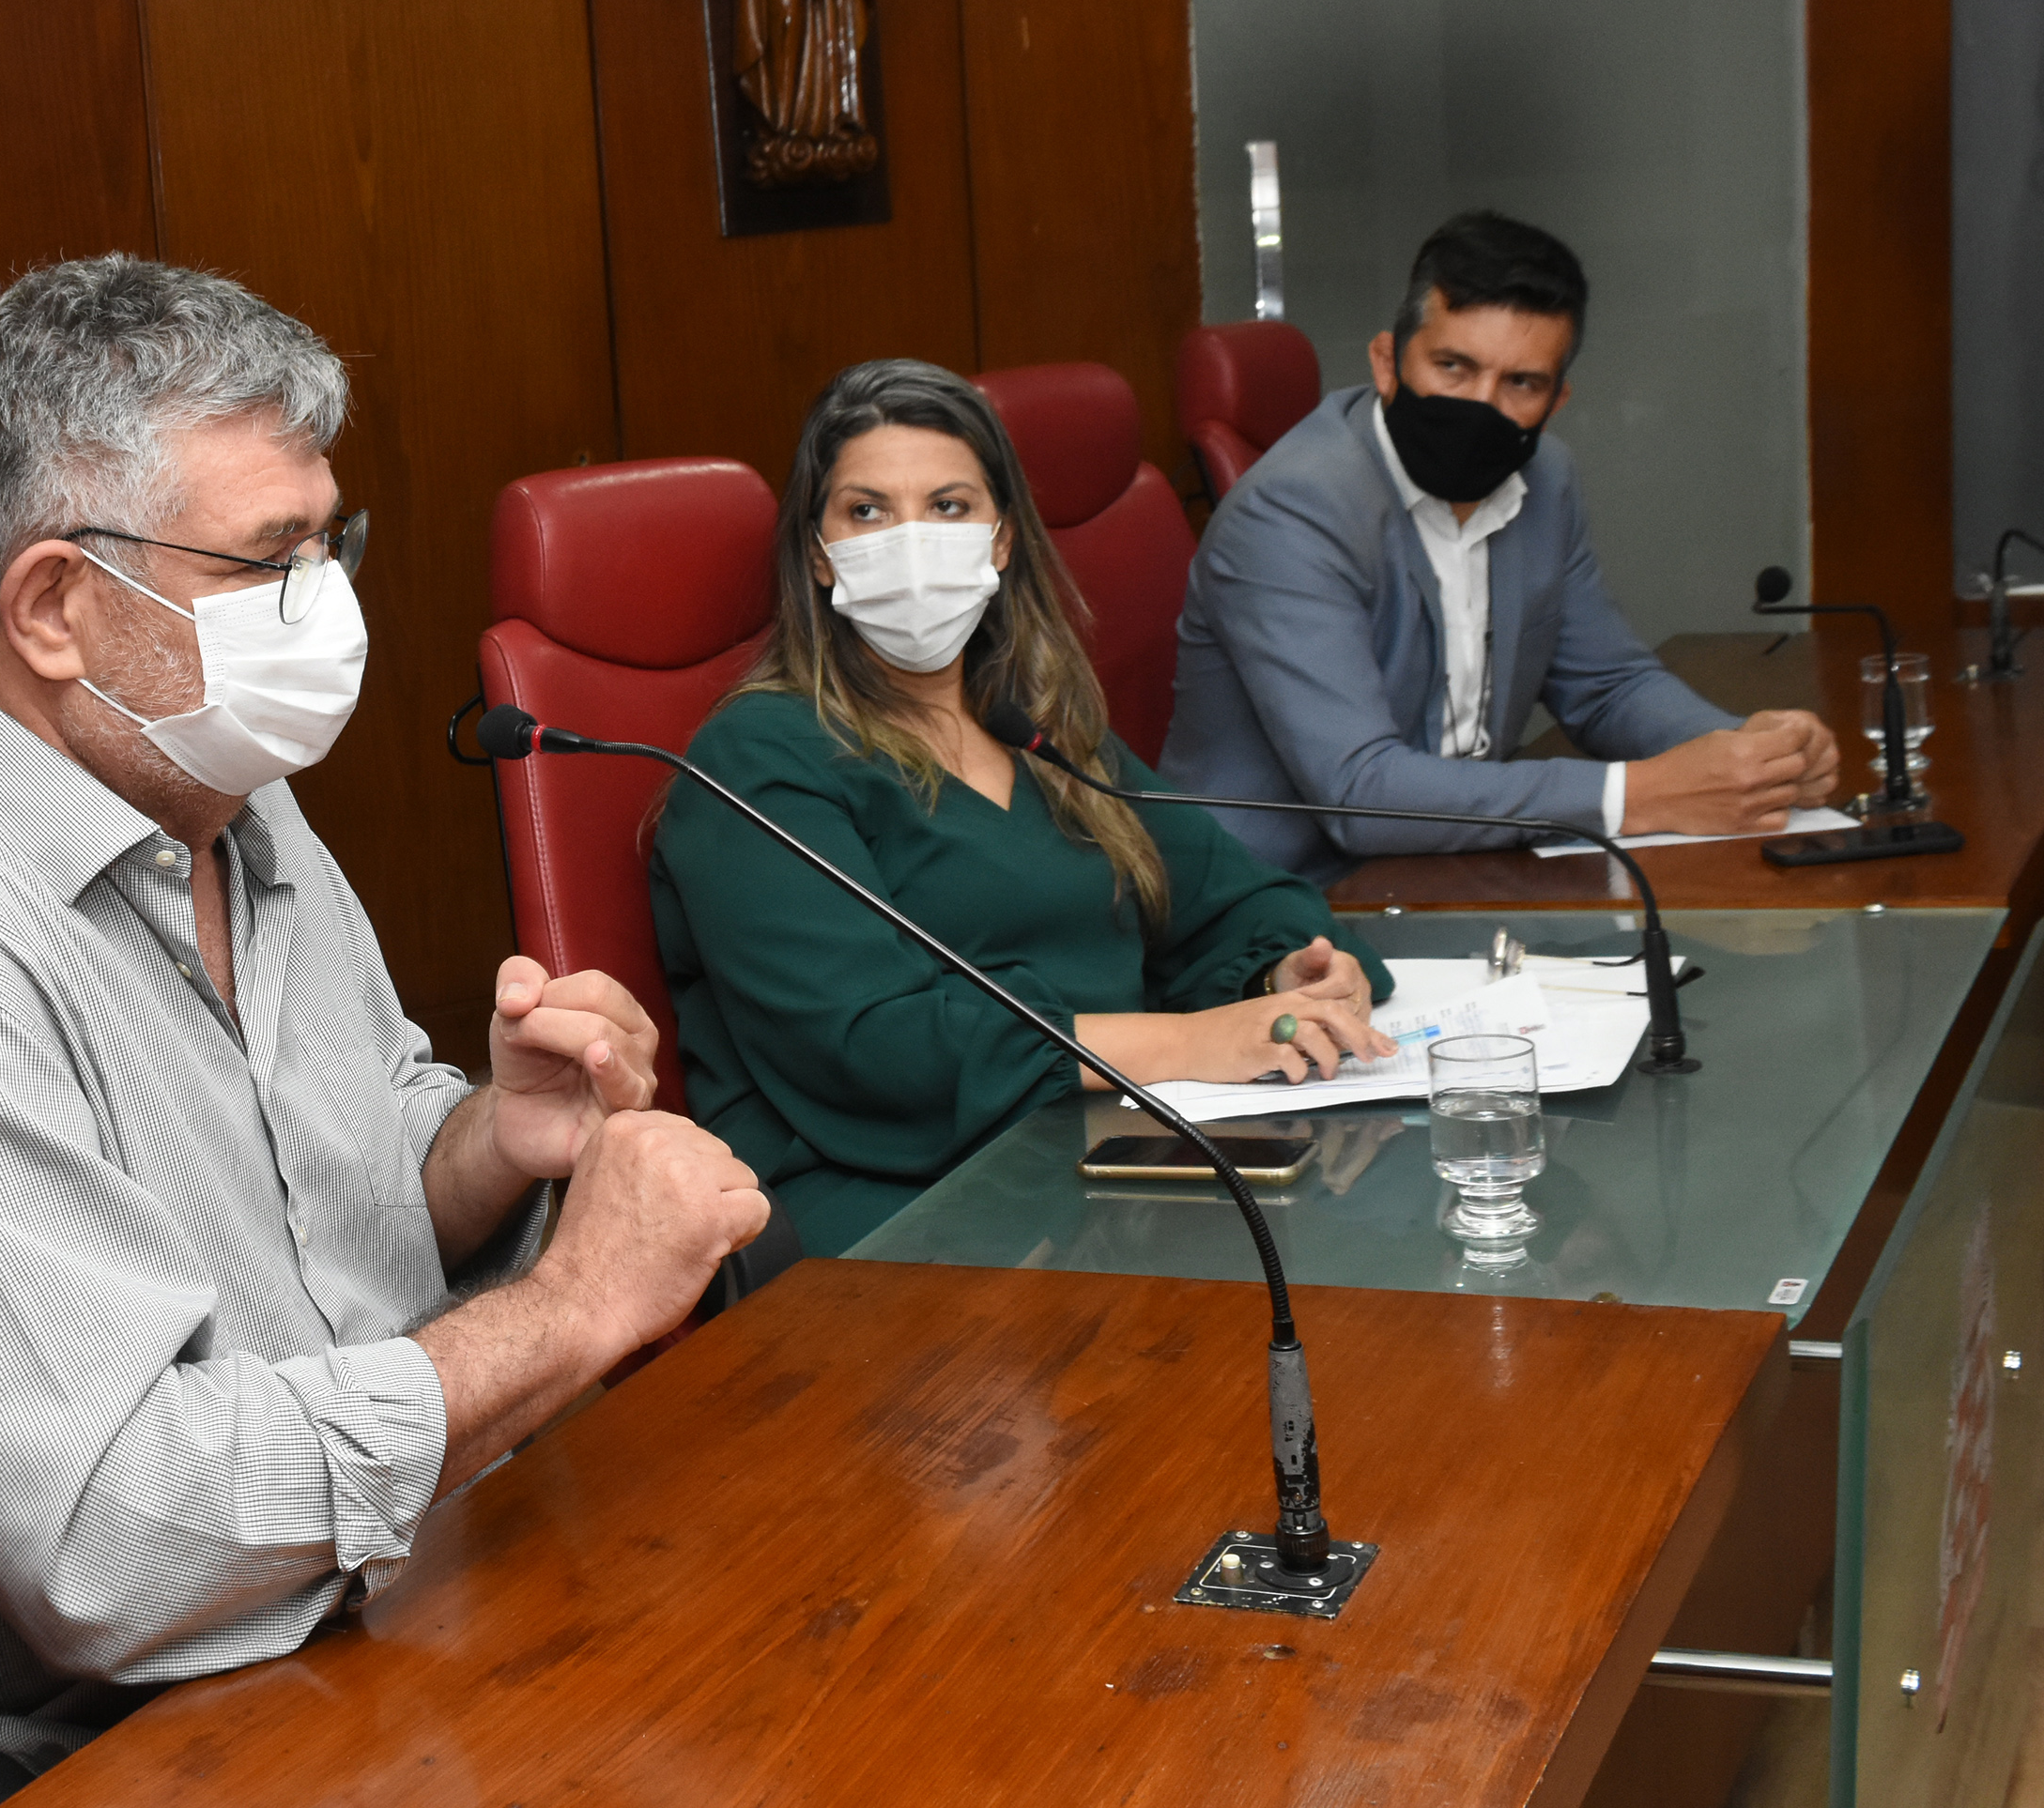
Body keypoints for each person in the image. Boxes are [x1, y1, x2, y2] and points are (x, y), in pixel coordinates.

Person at [0, 257, 766, 1768]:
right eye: (267, 562)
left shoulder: (213, 786)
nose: (327, 607)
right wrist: (575, 1306)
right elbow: (117, 1543)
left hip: (354, 1622)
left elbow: (324, 1228)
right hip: (76, 1749)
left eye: (331, 543)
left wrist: (488, 1148)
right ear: (54, 607)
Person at [649, 359, 1394, 1259]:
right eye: (868, 511)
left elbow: (1237, 897)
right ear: (817, 552)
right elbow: (876, 1046)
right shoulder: (756, 756)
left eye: (949, 506)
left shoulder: (1034, 727)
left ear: (1001, 541)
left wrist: (1290, 979)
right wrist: (1192, 1044)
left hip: (1104, 1157)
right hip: (889, 1210)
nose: (911, 540)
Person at [1160, 210, 1840, 884]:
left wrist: (1750, 757)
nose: (1481, 406)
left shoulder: (1545, 478)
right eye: (1453, 367)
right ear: (1387, 363)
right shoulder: (1291, 510)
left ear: (1557, 399)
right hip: (1278, 900)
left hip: (1455, 870)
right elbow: (1360, 792)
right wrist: (1640, 794)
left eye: (1521, 384)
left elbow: (1607, 687)